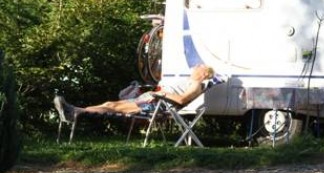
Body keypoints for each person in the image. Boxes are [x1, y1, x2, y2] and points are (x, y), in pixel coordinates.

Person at [58, 64, 215, 117]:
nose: (194, 67)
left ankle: (74, 111)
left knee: (112, 107)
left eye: (198, 67)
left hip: (156, 104)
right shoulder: (190, 81)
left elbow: (181, 100)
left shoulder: (196, 85)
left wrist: (160, 94)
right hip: (153, 99)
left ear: (203, 74)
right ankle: (75, 111)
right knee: (110, 104)